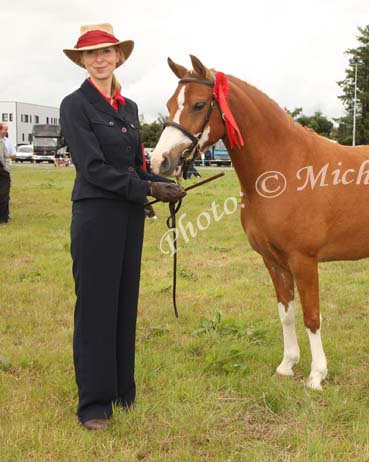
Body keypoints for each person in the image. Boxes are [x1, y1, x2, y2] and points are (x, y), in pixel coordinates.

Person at [60, 23, 186, 431]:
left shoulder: (129, 108)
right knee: (96, 307)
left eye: (107, 52)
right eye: (91, 54)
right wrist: (145, 186)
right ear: (82, 60)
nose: (100, 59)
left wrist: (158, 186)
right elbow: (93, 169)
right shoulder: (74, 105)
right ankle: (93, 404)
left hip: (130, 216)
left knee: (123, 304)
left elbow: (132, 164)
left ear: (119, 57)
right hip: (96, 216)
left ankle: (121, 390)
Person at [0, 123, 15, 223]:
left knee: (4, 195)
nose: (6, 131)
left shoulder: (3, 142)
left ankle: (3, 218)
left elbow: (7, 156)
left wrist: (6, 168)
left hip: (2, 170)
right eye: (4, 129)